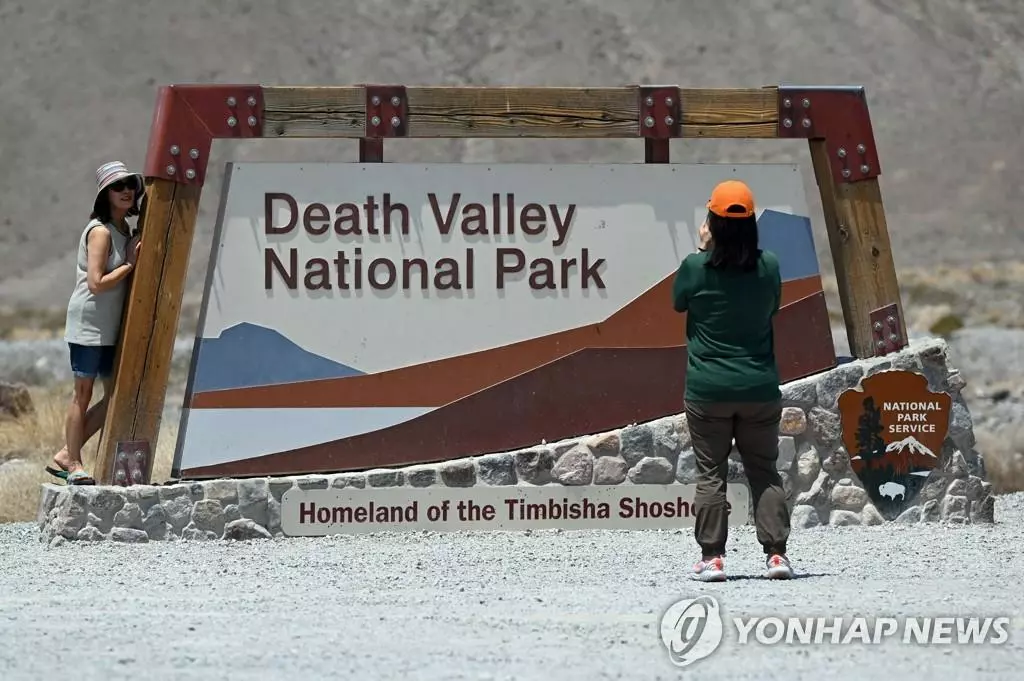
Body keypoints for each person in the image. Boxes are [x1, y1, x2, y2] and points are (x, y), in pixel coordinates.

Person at [671, 179, 792, 581]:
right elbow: (773, 305)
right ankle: (776, 555)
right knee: (764, 469)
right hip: (759, 387)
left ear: (712, 223)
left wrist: (704, 252)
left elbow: (677, 303)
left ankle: (713, 558)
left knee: (711, 472)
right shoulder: (769, 265)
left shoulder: (695, 267)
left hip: (708, 390)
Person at [46, 161, 144, 485]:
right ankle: (73, 464)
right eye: (118, 187)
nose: (126, 190)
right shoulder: (100, 231)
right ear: (106, 195)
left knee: (115, 393)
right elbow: (96, 283)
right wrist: (130, 264)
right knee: (83, 394)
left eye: (129, 183)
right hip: (88, 322)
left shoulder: (123, 231)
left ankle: (65, 453)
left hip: (109, 326)